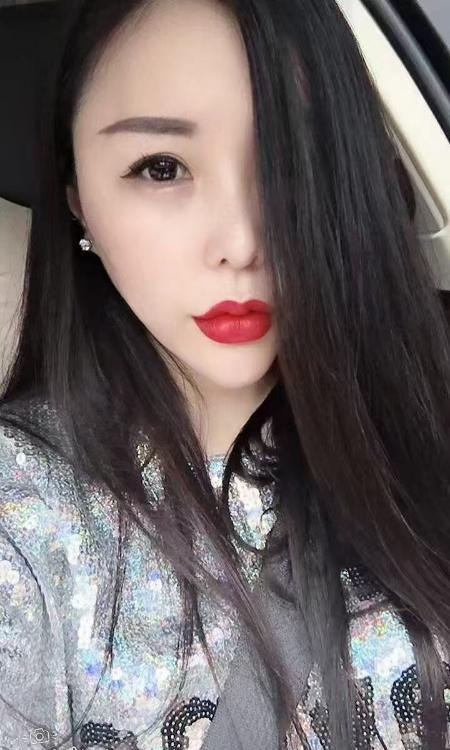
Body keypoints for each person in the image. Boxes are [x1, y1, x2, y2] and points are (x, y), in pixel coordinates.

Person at [0, 0, 449, 748]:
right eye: (162, 167)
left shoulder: (424, 416)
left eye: (290, 161)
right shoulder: (27, 509)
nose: (241, 242)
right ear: (79, 201)